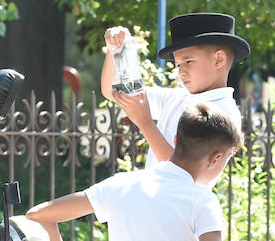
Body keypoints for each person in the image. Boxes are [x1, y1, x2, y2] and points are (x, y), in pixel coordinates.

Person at [24, 102, 244, 241]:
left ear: (176, 141)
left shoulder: (121, 184)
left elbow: (39, 215)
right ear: (216, 158)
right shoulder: (202, 200)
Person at [101, 12, 246, 174]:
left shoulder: (225, 113)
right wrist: (115, 51)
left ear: (219, 59)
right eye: (178, 65)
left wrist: (145, 123)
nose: (181, 72)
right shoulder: (176, 98)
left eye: (188, 62)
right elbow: (112, 91)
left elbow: (183, 173)